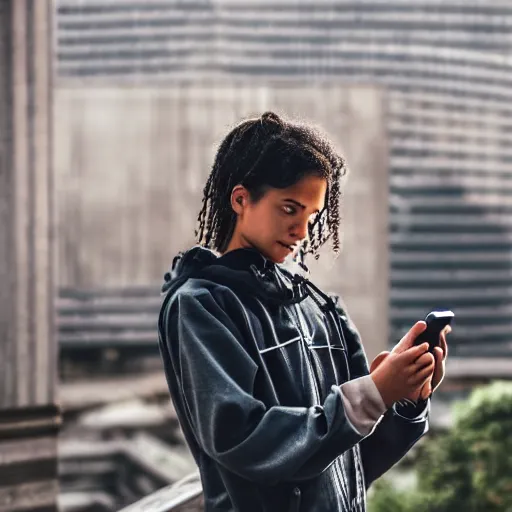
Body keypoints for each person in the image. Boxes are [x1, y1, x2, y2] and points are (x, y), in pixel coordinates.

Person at [158, 111, 449, 512]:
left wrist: (403, 399)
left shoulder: (321, 308)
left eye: (312, 216)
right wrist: (372, 394)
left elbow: (354, 462)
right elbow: (240, 439)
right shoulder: (202, 306)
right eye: (290, 208)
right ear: (240, 199)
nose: (303, 231)